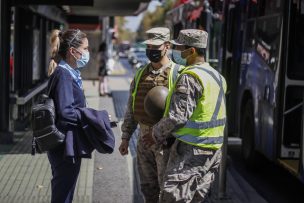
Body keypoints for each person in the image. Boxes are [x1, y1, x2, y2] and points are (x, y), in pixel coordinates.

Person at [153, 29, 227, 203]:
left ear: (191, 51)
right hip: (214, 151)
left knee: (172, 198)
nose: (176, 51)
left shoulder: (191, 77)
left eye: (179, 48)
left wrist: (156, 133)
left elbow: (176, 117)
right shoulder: (217, 77)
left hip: (191, 150)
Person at [46, 29, 115, 203]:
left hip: (67, 143)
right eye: (85, 48)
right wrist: (97, 116)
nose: (87, 52)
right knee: (63, 194)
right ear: (72, 51)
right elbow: (66, 112)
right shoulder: (64, 74)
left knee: (64, 191)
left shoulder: (68, 72)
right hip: (64, 145)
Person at [118, 27, 183, 203]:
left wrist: (160, 134)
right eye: (149, 46)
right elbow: (132, 108)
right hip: (143, 140)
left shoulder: (178, 75)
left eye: (156, 47)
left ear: (167, 46)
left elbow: (181, 113)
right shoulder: (140, 73)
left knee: (167, 190)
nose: (151, 51)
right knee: (147, 188)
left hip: (167, 142)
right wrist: (125, 137)